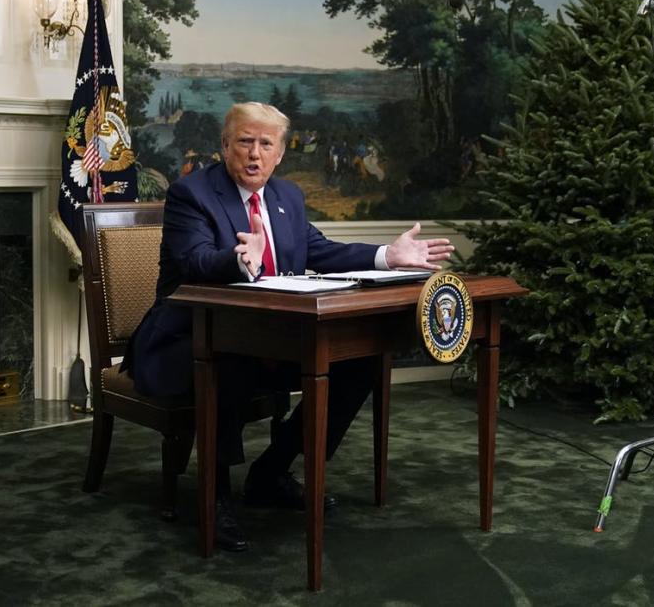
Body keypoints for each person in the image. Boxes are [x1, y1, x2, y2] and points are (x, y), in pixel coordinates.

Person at [125, 102, 454, 552]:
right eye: (244, 141)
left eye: (266, 144)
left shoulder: (287, 197)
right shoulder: (192, 194)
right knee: (229, 361)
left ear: (280, 153)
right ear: (225, 146)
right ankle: (215, 495)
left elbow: (319, 250)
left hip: (270, 340)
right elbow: (193, 261)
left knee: (359, 361)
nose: (254, 153)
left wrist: (386, 256)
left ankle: (272, 471)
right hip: (185, 341)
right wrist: (240, 259)